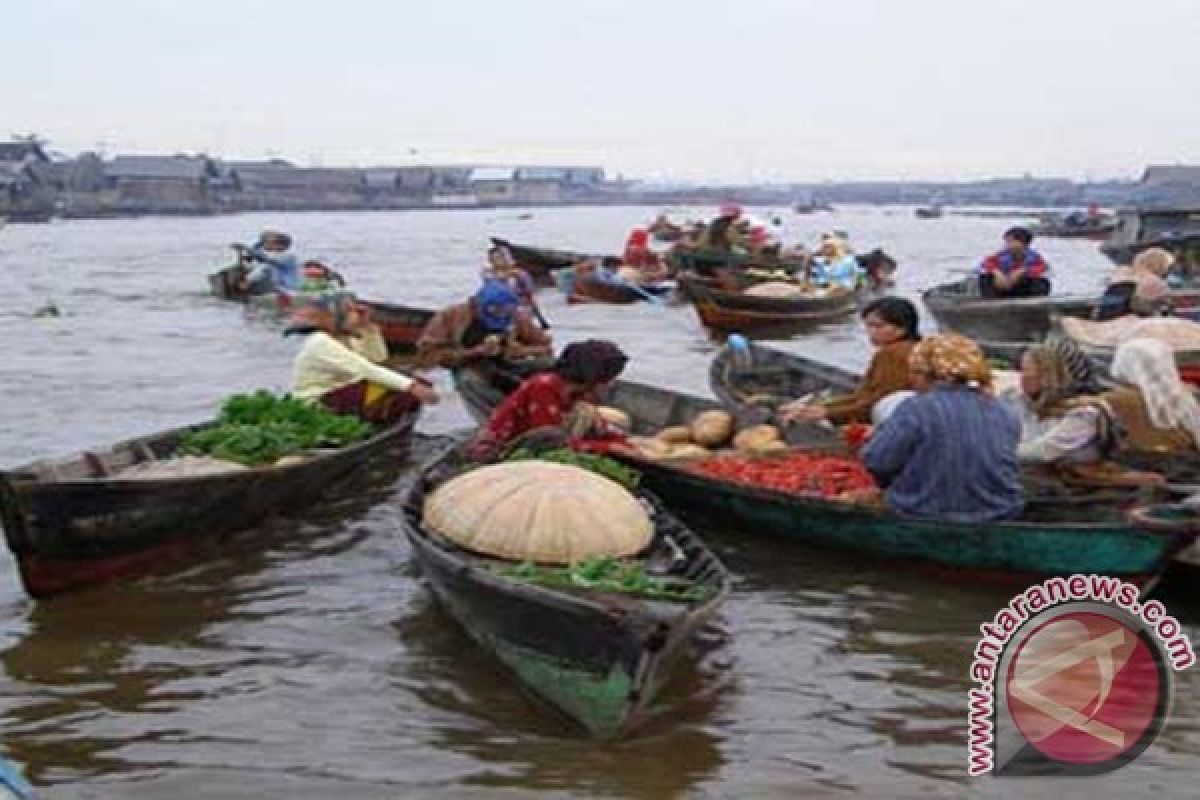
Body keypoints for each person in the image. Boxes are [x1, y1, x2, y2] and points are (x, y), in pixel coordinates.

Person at [861, 333, 1024, 522]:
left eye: (913, 372)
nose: (912, 380)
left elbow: (878, 461)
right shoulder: (1003, 410)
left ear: (923, 374)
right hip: (1002, 510)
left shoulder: (916, 408)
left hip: (925, 511)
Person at [1018, 338, 1200, 464]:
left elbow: (1046, 449)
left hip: (1140, 466)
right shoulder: (1185, 398)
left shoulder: (1114, 401)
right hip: (1181, 465)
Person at [287, 292, 438, 424]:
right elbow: (365, 369)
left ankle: (375, 418)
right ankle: (372, 419)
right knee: (406, 390)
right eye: (353, 312)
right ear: (337, 316)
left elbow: (378, 359)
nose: (358, 316)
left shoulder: (347, 338)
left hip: (340, 392)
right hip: (318, 400)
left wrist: (369, 328)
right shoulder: (320, 342)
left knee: (410, 384)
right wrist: (412, 386)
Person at [467, 339, 630, 460]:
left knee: (591, 415)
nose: (611, 383)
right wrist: (613, 447)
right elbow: (549, 442)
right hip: (506, 452)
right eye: (608, 378)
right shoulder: (543, 388)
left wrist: (628, 443)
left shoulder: (578, 395)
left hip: (545, 444)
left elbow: (602, 429)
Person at [780, 296, 922, 425]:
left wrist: (826, 412)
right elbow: (864, 397)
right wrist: (823, 407)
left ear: (902, 328)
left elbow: (877, 403)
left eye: (878, 326)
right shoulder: (917, 348)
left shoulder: (892, 354)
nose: (871, 332)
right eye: (868, 326)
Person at [416, 280, 553, 368]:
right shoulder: (450, 316)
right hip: (469, 366)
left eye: (505, 312)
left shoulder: (516, 317)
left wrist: (519, 351)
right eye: (495, 311)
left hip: (509, 364)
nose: (501, 315)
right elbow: (427, 355)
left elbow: (545, 344)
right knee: (470, 380)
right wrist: (473, 353)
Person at [978, 227, 1050, 298]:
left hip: (1021, 288)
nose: (1008, 244)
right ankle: (991, 301)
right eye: (1007, 242)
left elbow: (1042, 268)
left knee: (1042, 282)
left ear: (1023, 242)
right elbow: (986, 263)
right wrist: (997, 272)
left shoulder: (1034, 257)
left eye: (1011, 241)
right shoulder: (1001, 254)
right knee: (985, 278)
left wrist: (1023, 271)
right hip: (1003, 286)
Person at [1108, 247, 1175, 315]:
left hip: (1109, 313)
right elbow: (1167, 303)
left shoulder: (1119, 272)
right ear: (1162, 265)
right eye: (1168, 266)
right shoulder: (1157, 282)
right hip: (1138, 316)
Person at [236, 231, 301, 292]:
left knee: (265, 267)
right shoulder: (277, 254)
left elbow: (264, 260)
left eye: (269, 243)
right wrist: (260, 241)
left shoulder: (289, 256)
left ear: (280, 245)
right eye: (265, 243)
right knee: (260, 266)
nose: (264, 245)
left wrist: (248, 280)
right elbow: (258, 256)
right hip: (281, 285)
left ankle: (247, 285)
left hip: (287, 288)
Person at [481, 245, 537, 309]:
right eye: (498, 258)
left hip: (518, 307)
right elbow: (494, 281)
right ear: (491, 261)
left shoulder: (521, 273)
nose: (504, 260)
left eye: (505, 256)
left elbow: (530, 293)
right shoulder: (488, 274)